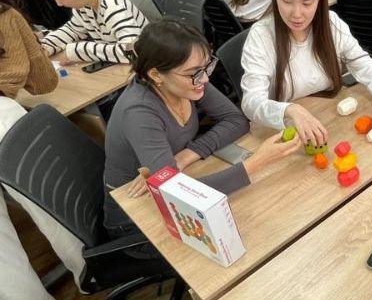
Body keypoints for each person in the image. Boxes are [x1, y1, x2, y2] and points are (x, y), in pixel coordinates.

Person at [103, 19, 301, 238]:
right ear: (156, 74)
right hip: (135, 219)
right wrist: (257, 162)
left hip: (171, 192)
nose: (205, 78)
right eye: (193, 73)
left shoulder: (186, 82)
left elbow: (236, 120)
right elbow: (178, 194)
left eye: (206, 67)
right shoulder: (139, 112)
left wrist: (186, 155)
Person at [0, 0, 85, 300]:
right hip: (2, 118)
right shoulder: (6, 15)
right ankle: (93, 271)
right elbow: (44, 81)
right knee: (55, 208)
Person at [241, 0, 372, 147]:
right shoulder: (261, 36)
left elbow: (363, 63)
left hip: (328, 117)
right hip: (283, 133)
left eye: (307, 3)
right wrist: (291, 110)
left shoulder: (331, 23)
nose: (297, 14)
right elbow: (251, 102)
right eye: (286, 1)